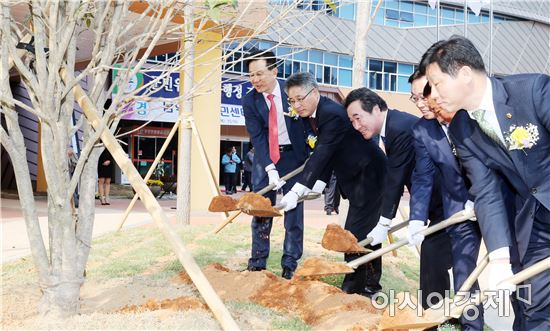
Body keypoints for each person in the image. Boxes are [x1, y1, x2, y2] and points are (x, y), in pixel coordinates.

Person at [421, 35, 550, 330]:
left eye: (438, 83)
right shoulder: (462, 129)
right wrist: (499, 259)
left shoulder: (532, 91)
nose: (434, 94)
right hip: (535, 225)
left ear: (465, 73)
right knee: (534, 307)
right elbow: (486, 192)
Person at [280, 72, 387, 296]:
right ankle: (370, 284)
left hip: (369, 175)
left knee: (354, 235)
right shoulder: (313, 115)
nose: (296, 105)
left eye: (300, 98)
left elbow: (323, 151)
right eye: (292, 100)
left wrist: (298, 188)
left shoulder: (331, 114)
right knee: (366, 234)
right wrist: (319, 182)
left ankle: (353, 290)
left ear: (315, 92)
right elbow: (329, 151)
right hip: (356, 176)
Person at [344, 87, 452, 304]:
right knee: (436, 263)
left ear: (376, 109)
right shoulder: (392, 127)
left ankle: (441, 321)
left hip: (450, 204)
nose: (356, 126)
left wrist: (384, 222)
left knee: (439, 261)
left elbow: (396, 177)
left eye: (358, 118)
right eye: (352, 121)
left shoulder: (399, 128)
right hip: (436, 205)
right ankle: (437, 319)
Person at [408, 69, 483, 329]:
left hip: (489, 199)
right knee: (432, 254)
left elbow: (488, 161)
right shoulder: (422, 129)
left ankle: (471, 325)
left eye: (423, 96)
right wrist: (416, 219)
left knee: (465, 269)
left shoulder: (468, 115)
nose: (420, 103)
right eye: (414, 98)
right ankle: (434, 320)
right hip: (454, 207)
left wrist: (477, 196)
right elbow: (423, 176)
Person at [242, 50, 309, 279]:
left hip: (293, 157)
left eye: (260, 73)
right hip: (265, 157)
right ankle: (257, 262)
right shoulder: (250, 100)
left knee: (292, 210)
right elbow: (257, 137)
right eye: (251, 75)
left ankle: (290, 264)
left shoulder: (292, 92)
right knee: (261, 209)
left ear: (274, 71)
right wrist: (269, 167)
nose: (255, 80)